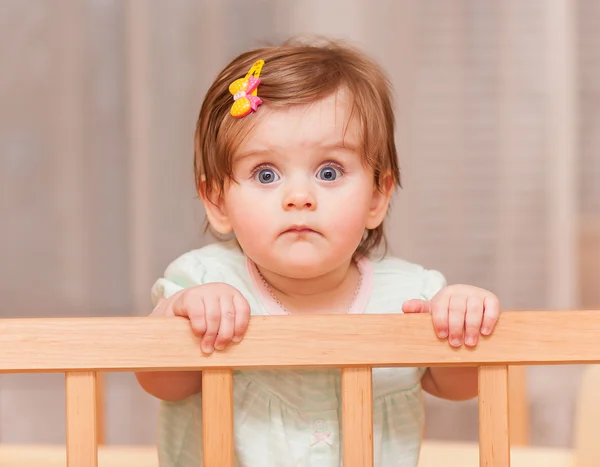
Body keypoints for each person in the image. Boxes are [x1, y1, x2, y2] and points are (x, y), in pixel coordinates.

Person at [135, 38, 501, 467]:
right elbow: (159, 380)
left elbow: (457, 386)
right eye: (266, 173)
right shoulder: (205, 281)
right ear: (217, 202)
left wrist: (461, 322)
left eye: (329, 171)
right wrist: (182, 315)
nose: (299, 196)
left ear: (376, 198)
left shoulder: (411, 295)